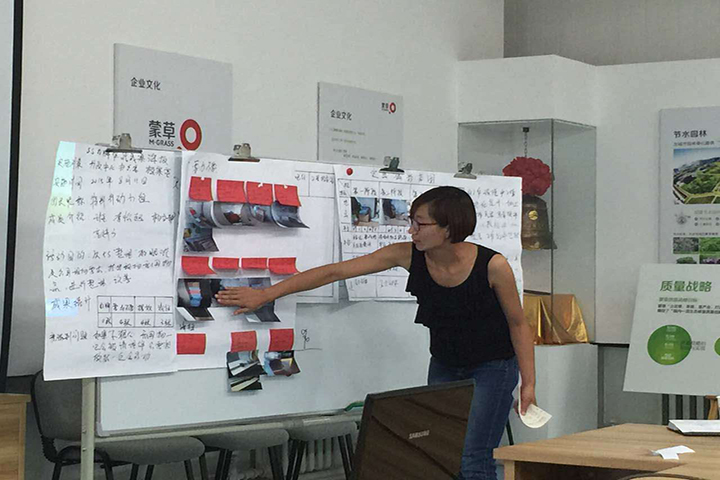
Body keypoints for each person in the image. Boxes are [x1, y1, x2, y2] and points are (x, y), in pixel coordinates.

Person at [216, 186, 536, 480]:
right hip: (445, 364)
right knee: (441, 453)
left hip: (493, 367)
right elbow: (334, 272)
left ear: (449, 228)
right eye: (411, 221)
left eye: (420, 224)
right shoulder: (407, 254)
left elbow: (518, 323)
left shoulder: (493, 266)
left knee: (472, 458)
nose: (411, 230)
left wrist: (528, 383)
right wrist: (266, 294)